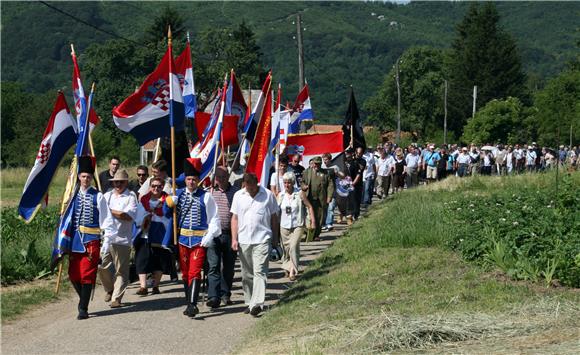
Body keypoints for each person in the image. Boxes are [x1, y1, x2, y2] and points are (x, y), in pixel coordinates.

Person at [166, 158, 221, 318]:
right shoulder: (178, 194)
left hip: (199, 241)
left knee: (195, 272)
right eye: (189, 179)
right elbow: (168, 214)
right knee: (185, 273)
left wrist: (209, 236)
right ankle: (189, 302)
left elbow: (214, 219)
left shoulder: (206, 197)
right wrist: (169, 203)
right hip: (182, 240)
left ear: (198, 180)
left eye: (194, 179)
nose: (191, 182)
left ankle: (192, 305)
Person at [230, 173, 280, 317]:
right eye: (247, 188)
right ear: (244, 184)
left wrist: (275, 239)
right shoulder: (239, 196)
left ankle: (257, 304)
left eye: (252, 188)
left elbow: (274, 218)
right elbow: (234, 218)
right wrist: (234, 239)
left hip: (262, 239)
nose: (250, 191)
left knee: (260, 271)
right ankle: (249, 301)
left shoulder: (268, 195)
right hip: (244, 239)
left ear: (257, 183)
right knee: (246, 274)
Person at [68, 156, 110, 320]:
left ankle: (83, 308)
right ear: (79, 176)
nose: (85, 179)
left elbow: (106, 220)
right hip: (74, 240)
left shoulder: (98, 196)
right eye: (83, 176)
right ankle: (83, 299)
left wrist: (105, 240)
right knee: (73, 274)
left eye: (88, 177)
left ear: (92, 178)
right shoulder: (72, 194)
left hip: (91, 239)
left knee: (87, 274)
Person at [98, 169, 138, 308]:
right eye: (116, 182)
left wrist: (108, 211)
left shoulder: (131, 197)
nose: (118, 184)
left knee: (121, 271)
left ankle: (116, 298)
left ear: (126, 183)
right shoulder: (107, 196)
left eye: (121, 182)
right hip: (107, 239)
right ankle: (109, 288)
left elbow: (126, 215)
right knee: (102, 266)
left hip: (122, 239)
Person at [206, 166, 239, 309]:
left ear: (228, 176)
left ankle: (225, 294)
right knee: (213, 266)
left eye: (223, 176)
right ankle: (213, 296)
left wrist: (236, 237)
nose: (220, 179)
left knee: (228, 267)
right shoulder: (209, 192)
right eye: (218, 177)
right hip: (213, 235)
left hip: (229, 233)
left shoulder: (235, 193)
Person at [133, 177, 172, 296]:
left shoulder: (168, 201)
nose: (156, 188)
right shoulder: (144, 200)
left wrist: (157, 218)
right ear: (150, 187)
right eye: (153, 186)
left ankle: (155, 286)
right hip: (145, 234)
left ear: (163, 187)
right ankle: (143, 286)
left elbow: (168, 218)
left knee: (159, 261)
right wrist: (145, 219)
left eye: (159, 186)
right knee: (141, 260)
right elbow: (137, 216)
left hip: (160, 234)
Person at [277, 172, 315, 281]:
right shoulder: (280, 195)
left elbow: (309, 207)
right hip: (283, 226)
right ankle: (288, 267)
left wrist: (313, 222)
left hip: (298, 224)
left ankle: (293, 270)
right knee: (286, 250)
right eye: (285, 183)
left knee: (293, 247)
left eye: (289, 182)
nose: (287, 185)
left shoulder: (299, 194)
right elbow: (276, 211)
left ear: (293, 183)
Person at [302, 156, 334, 242]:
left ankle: (316, 235)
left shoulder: (325, 173)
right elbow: (301, 182)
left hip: (321, 199)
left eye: (318, 164)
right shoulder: (306, 172)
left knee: (320, 217)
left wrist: (329, 197)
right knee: (309, 217)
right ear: (312, 163)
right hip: (309, 199)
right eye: (315, 164)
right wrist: (303, 186)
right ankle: (307, 234)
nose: (317, 166)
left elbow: (330, 185)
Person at [321, 152, 338, 231]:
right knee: (324, 208)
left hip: (332, 191)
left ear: (330, 159)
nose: (325, 161)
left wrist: (337, 173)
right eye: (324, 160)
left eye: (326, 160)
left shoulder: (335, 167)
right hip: (323, 192)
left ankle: (329, 224)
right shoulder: (322, 168)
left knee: (331, 208)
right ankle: (323, 223)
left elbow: (342, 176)